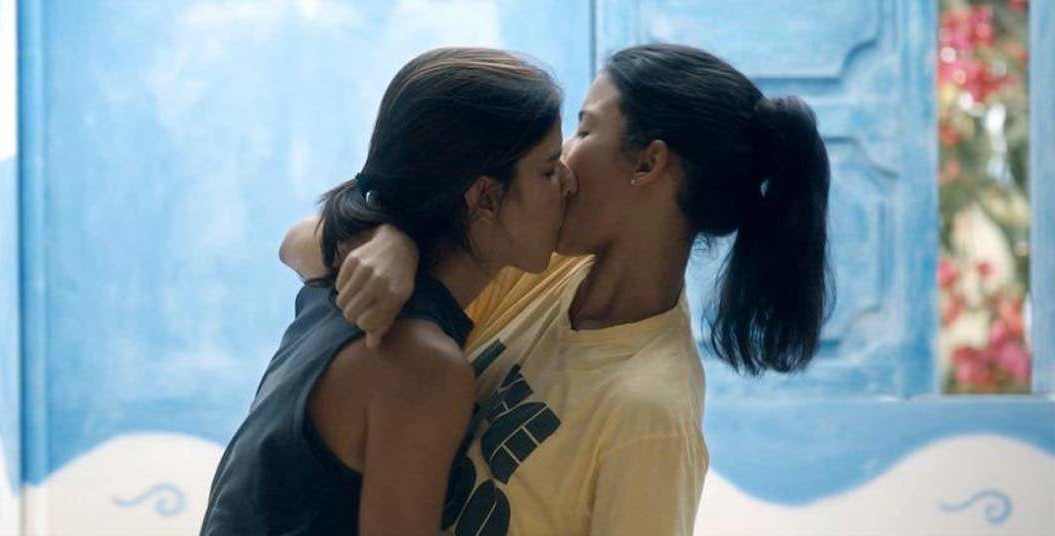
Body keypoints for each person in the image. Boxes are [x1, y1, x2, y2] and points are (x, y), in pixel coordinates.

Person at [282, 43, 832, 535]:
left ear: (648, 163)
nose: (563, 161)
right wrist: (391, 238)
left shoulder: (650, 415)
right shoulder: (539, 271)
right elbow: (300, 242)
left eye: (585, 131)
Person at [201, 46, 576, 535]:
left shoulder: (340, 278)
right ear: (484, 198)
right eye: (548, 169)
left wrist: (389, 237)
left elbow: (299, 240)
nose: (569, 182)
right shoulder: (423, 365)